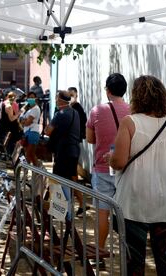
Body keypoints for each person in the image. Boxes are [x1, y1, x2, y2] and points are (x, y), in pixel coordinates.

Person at [109, 75, 166, 276]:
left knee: (134, 261)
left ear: (137, 97)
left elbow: (118, 162)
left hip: (135, 200)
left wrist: (110, 157)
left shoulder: (130, 122)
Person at [85, 74, 130, 250]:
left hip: (102, 168)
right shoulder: (132, 111)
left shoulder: (97, 111)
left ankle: (100, 250)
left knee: (102, 213)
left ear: (108, 90)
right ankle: (127, 252)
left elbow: (89, 139)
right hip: (126, 168)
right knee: (126, 214)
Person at [44, 90, 80, 203]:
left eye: (56, 98)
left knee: (58, 181)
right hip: (74, 150)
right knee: (72, 178)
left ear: (59, 100)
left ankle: (61, 211)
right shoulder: (75, 113)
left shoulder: (60, 114)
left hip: (63, 151)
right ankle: (81, 204)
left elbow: (48, 131)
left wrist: (47, 128)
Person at [67, 86, 89, 217]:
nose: (70, 97)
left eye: (72, 95)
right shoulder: (67, 109)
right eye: (68, 95)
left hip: (72, 145)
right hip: (68, 146)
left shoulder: (77, 108)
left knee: (72, 176)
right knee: (70, 175)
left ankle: (81, 203)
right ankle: (78, 204)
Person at [20, 92, 41, 166]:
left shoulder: (36, 109)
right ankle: (36, 172)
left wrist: (24, 121)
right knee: (30, 154)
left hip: (33, 133)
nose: (31, 99)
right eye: (29, 97)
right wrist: (24, 120)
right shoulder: (29, 110)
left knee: (29, 154)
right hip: (27, 133)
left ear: (35, 98)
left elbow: (27, 123)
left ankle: (32, 172)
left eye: (33, 97)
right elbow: (21, 120)